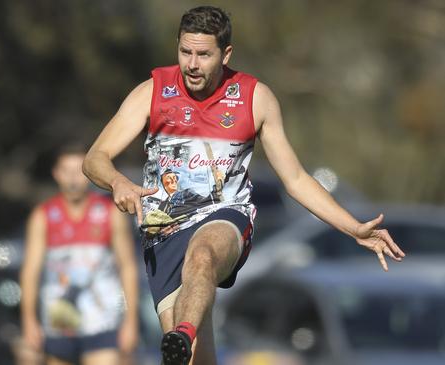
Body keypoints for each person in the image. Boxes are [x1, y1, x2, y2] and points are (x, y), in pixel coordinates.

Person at [82, 6, 405, 365]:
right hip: (164, 230)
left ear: (226, 53)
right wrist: (117, 182)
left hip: (226, 217)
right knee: (195, 360)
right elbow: (95, 157)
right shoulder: (152, 92)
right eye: (185, 52)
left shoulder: (255, 97)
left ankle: (182, 333)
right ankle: (186, 340)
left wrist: (354, 228)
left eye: (204, 55)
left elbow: (296, 179)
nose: (192, 64)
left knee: (203, 257)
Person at [20, 143, 139, 365]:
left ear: (89, 174)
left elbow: (128, 267)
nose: (74, 178)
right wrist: (29, 320)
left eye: (80, 171)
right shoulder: (43, 216)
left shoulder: (109, 213)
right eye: (67, 171)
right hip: (59, 322)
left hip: (103, 322)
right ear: (56, 174)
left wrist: (130, 321)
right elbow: (30, 272)